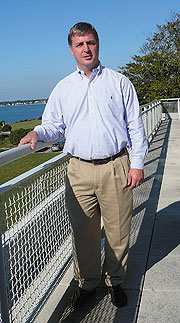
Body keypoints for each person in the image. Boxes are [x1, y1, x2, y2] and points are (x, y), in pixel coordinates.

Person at [19, 22, 148, 309]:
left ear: (98, 44)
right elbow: (54, 126)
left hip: (116, 166)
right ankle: (88, 283)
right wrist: (37, 133)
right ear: (71, 50)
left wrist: (137, 164)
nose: (86, 49)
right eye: (80, 45)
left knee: (118, 230)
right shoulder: (64, 88)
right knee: (83, 232)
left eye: (90, 42)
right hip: (78, 170)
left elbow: (135, 127)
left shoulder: (119, 82)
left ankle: (115, 281)